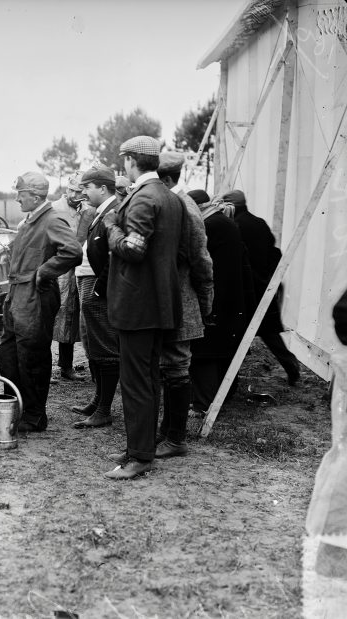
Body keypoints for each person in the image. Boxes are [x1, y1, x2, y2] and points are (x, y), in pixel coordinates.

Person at [101, 136, 185, 480]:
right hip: (157, 304)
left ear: (131, 161)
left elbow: (133, 250)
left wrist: (110, 227)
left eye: (124, 160)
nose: (123, 165)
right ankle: (142, 447)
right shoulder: (168, 196)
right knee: (148, 379)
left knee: (137, 381)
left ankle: (139, 456)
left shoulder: (144, 198)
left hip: (137, 306)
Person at [0, 171, 82, 432]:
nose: (17, 199)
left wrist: (45, 272)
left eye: (20, 195)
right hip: (17, 294)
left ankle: (34, 417)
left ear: (34, 196)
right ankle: (13, 407)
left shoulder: (52, 219)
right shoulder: (29, 222)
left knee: (31, 355)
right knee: (9, 352)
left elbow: (73, 251)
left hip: (35, 296)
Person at [155, 152, 214, 459]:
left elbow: (202, 260)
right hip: (169, 299)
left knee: (177, 366)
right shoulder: (171, 203)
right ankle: (167, 432)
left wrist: (205, 302)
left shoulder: (185, 207)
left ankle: (176, 438)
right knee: (168, 366)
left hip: (182, 298)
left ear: (166, 180)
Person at [219, 189, 301, 385]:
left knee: (237, 332)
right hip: (265, 286)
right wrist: (267, 278)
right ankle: (291, 365)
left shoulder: (235, 226)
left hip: (248, 288)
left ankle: (228, 381)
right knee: (268, 332)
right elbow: (275, 252)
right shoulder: (259, 222)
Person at [186, 190, 249, 414]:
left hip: (215, 297)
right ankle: (222, 396)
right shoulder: (223, 222)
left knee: (204, 353)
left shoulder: (210, 225)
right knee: (221, 350)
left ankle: (203, 403)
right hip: (229, 295)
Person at [71, 165, 120, 429]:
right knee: (95, 345)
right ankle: (99, 401)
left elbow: (114, 255)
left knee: (105, 347)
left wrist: (100, 289)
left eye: (87, 187)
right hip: (94, 284)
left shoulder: (113, 212)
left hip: (101, 287)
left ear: (102, 188)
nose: (83, 192)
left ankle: (104, 410)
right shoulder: (101, 212)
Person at [51, 172, 95, 382]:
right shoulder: (53, 209)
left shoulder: (89, 211)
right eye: (71, 190)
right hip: (56, 270)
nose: (74, 194)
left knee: (71, 317)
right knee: (51, 315)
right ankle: (42, 367)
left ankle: (66, 366)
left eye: (79, 191)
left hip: (78, 271)